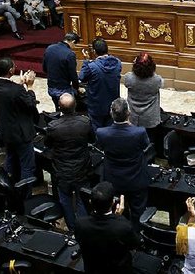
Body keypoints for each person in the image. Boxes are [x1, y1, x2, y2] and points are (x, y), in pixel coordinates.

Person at [96, 98, 150, 231]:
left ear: (111, 114)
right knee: (138, 213)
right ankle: (137, 236)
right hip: (136, 179)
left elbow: (101, 147)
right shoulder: (139, 132)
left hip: (114, 179)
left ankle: (123, 233)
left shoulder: (102, 133)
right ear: (129, 113)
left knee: (119, 211)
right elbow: (145, 146)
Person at [45, 93, 92, 230]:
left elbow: (48, 144)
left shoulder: (53, 126)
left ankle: (71, 227)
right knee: (82, 200)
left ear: (59, 107)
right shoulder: (85, 122)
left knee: (65, 199)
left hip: (62, 170)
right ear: (75, 106)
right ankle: (82, 228)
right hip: (81, 169)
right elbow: (92, 139)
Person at [74, 181, 140, 274]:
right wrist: (118, 217)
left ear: (90, 201)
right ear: (113, 202)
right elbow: (135, 244)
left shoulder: (80, 223)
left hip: (93, 269)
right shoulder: (123, 226)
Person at [0, 58, 39, 181]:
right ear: (11, 70)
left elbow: (10, 94)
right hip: (21, 133)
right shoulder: (17, 90)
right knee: (27, 166)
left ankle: (7, 183)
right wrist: (30, 86)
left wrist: (20, 84)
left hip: (6, 129)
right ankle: (25, 196)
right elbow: (31, 104)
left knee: (11, 156)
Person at [79, 38, 122, 129]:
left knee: (97, 130)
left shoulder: (91, 66)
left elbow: (81, 78)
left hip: (96, 105)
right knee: (111, 128)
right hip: (113, 103)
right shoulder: (117, 63)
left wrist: (86, 61)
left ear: (94, 51)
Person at [123, 52, 164, 139]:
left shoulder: (128, 78)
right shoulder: (156, 80)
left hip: (133, 117)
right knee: (150, 141)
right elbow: (160, 81)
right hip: (150, 119)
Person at [42, 32, 81, 110]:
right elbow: (73, 75)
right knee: (68, 110)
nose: (74, 47)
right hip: (64, 89)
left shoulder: (49, 48)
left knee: (57, 108)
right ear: (73, 42)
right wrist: (77, 88)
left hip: (51, 86)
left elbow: (44, 68)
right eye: (75, 45)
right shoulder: (70, 54)